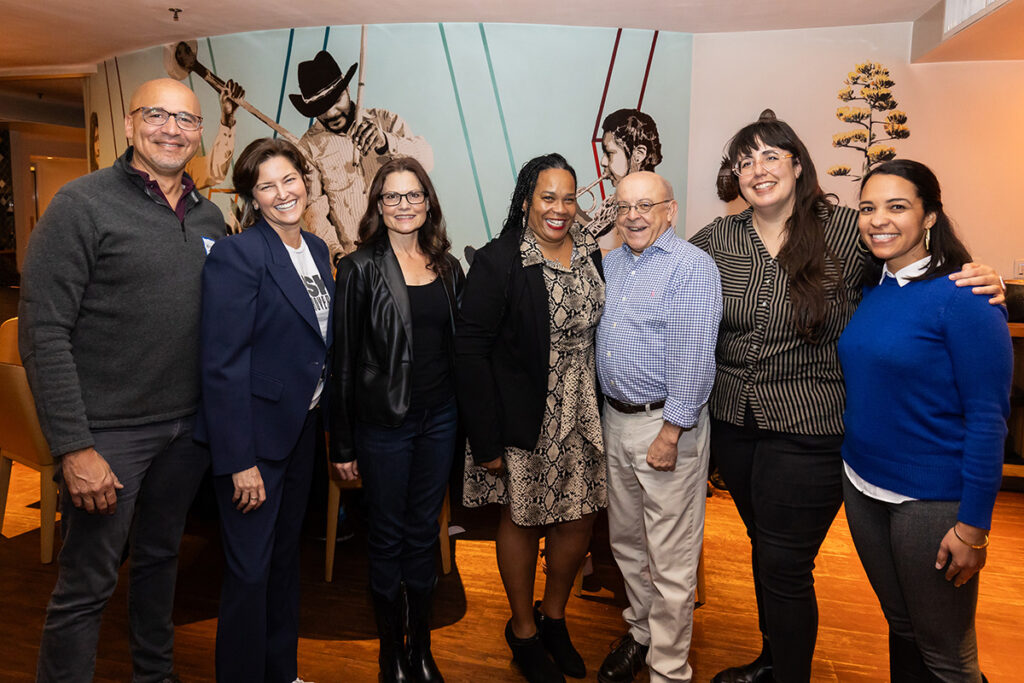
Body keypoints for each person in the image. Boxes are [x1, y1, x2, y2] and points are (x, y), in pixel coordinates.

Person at [689, 111, 1005, 683]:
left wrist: (981, 276)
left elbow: (916, 268)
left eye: (770, 156)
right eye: (744, 161)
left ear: (797, 164)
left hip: (810, 427)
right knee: (766, 551)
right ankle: (773, 656)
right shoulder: (715, 240)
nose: (757, 170)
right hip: (735, 423)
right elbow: (674, 292)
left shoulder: (844, 229)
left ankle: (786, 672)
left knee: (784, 561)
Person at [19, 78, 225, 683]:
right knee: (87, 584)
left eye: (185, 119)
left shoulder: (211, 215)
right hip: (107, 436)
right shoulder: (80, 205)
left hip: (187, 432)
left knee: (161, 565)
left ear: (200, 135)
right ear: (130, 125)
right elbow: (43, 333)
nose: (171, 128)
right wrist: (74, 447)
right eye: (156, 115)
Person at [839, 159, 1011, 682]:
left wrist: (974, 527)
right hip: (863, 488)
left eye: (897, 207)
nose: (878, 220)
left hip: (930, 504)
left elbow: (988, 419)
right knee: (903, 627)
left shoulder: (967, 299)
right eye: (868, 208)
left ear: (930, 216)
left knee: (945, 654)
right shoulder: (875, 285)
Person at [457, 153, 605, 683]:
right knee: (523, 518)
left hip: (583, 411)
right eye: (548, 197)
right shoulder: (500, 260)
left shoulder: (590, 251)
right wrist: (487, 439)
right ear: (527, 201)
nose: (560, 208)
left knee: (578, 519)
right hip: (521, 414)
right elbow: (470, 351)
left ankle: (554, 618)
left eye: (569, 198)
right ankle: (522, 630)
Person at [196, 137, 332, 683]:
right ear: (253, 197)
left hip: (299, 432)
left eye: (289, 179)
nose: (282, 194)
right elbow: (221, 364)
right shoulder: (240, 253)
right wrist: (240, 459)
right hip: (255, 443)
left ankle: (281, 672)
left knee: (282, 565)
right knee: (249, 573)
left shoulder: (317, 250)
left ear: (305, 179)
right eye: (266, 186)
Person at [330, 156, 462, 683]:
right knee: (385, 537)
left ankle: (421, 649)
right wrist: (341, 446)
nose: (403, 205)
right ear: (378, 206)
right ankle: (391, 654)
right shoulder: (360, 268)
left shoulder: (448, 266)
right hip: (384, 425)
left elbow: (461, 350)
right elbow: (340, 363)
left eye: (413, 196)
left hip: (441, 420)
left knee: (423, 535)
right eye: (392, 196)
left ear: (428, 203)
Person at [595, 171, 722, 683]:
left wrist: (671, 432)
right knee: (627, 542)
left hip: (666, 425)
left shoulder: (691, 267)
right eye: (624, 207)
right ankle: (642, 632)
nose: (633, 216)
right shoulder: (612, 264)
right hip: (615, 419)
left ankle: (669, 669)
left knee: (671, 556)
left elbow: (695, 359)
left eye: (646, 205)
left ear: (670, 210)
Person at [290, 50, 434, 263]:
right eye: (321, 108)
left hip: (409, 253)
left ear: (347, 89)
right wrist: (335, 254)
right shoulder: (308, 148)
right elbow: (315, 210)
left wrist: (386, 142)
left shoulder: (386, 121)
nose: (331, 113)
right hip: (357, 261)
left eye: (337, 100)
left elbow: (427, 160)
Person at [580, 108, 663, 247]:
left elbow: (620, 255)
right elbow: (599, 235)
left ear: (638, 154)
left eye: (609, 153)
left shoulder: (649, 206)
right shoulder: (613, 201)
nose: (603, 162)